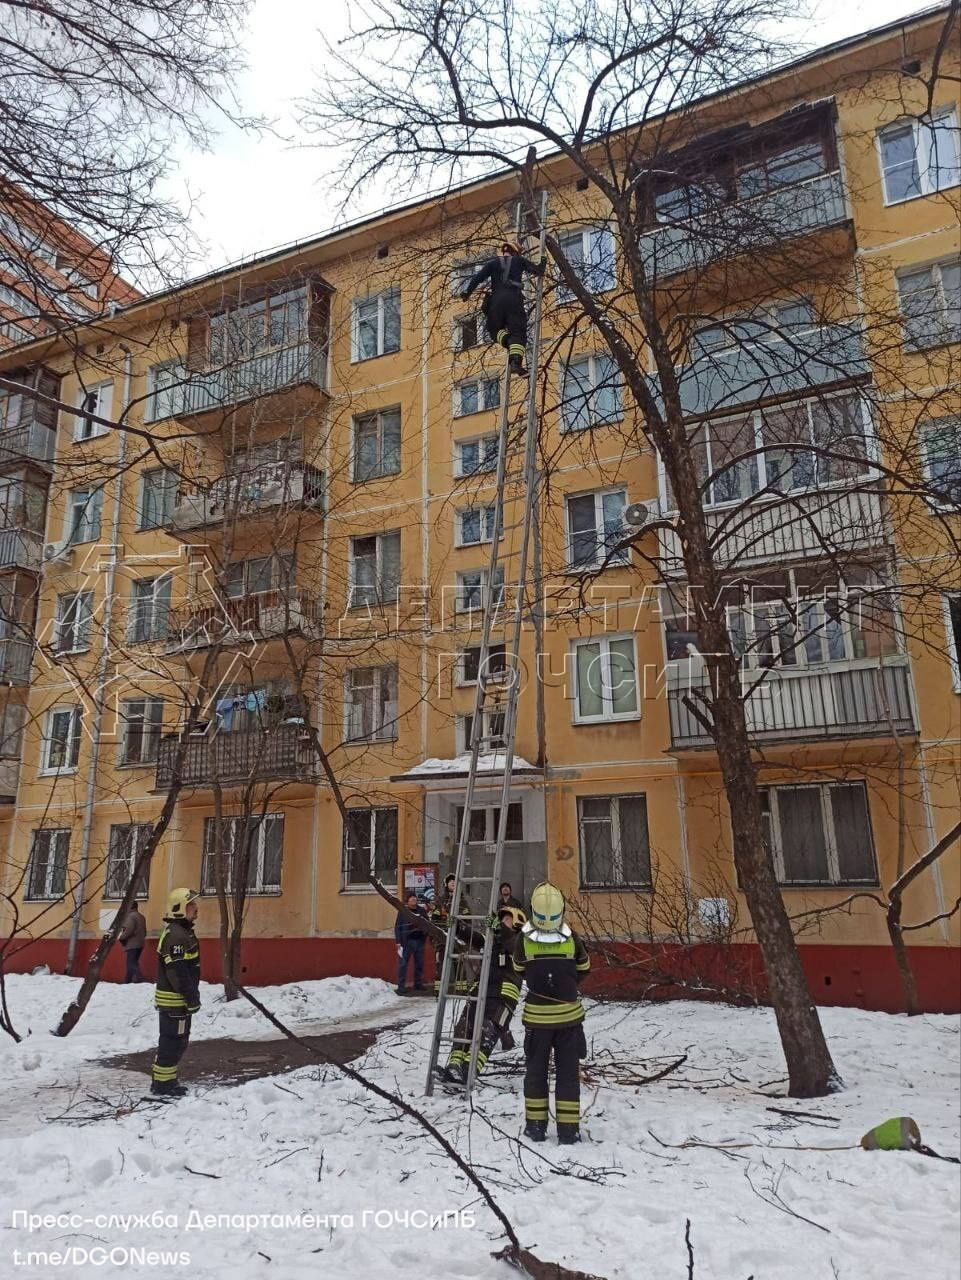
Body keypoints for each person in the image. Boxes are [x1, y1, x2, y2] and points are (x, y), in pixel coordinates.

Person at [512, 882, 590, 1144]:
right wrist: (565, 986)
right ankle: (569, 1131)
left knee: (536, 1073)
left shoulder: (523, 942)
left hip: (537, 1022)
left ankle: (535, 1127)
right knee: (568, 1075)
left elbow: (518, 969)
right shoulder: (573, 939)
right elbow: (584, 968)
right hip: (569, 1020)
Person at [437, 905, 525, 1086]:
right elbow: (475, 938)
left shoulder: (521, 941)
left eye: (506, 919)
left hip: (503, 996)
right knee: (463, 1028)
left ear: (517, 922)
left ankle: (468, 1071)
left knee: (487, 1032)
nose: (501, 922)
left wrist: (499, 929)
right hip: (481, 992)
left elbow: (514, 946)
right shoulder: (492, 942)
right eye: (501, 920)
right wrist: (458, 927)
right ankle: (454, 1066)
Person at [460, 242, 545, 376]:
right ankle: (515, 362)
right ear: (516, 252)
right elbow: (539, 271)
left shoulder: (492, 263)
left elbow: (477, 278)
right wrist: (543, 259)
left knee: (494, 330)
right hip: (513, 300)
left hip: (495, 302)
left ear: (503, 251)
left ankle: (508, 342)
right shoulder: (520, 260)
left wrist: (467, 292)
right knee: (518, 332)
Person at [151, 888, 201, 1098]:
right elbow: (178, 972)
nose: (195, 910)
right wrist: (190, 998)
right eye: (191, 906)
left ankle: (166, 1080)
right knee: (173, 1041)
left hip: (178, 1000)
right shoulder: (177, 936)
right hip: (174, 1002)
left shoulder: (181, 932)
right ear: (179, 909)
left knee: (177, 1041)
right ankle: (163, 1084)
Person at [395, 891, 429, 994]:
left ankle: (417, 984)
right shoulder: (403, 911)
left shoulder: (422, 911)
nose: (414, 899)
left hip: (419, 941)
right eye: (411, 898)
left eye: (415, 898)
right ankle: (401, 986)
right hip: (406, 942)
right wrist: (398, 941)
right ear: (407, 900)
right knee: (403, 964)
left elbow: (427, 924)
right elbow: (397, 927)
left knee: (419, 964)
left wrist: (425, 935)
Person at [119, 901, 147, 983]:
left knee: (131, 963)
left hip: (132, 943)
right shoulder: (141, 916)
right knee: (133, 962)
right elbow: (144, 931)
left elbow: (128, 930)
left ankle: (140, 978)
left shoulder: (131, 916)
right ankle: (127, 981)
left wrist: (122, 937)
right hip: (140, 943)